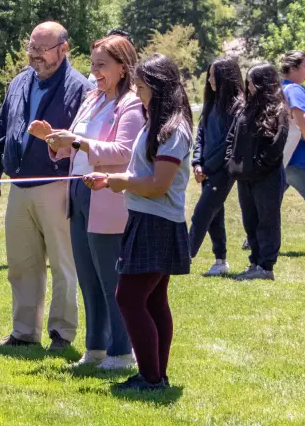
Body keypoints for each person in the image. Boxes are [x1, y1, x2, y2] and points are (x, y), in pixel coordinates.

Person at [31, 32, 143, 369]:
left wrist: (76, 141)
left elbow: (124, 151)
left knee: (111, 280)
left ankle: (122, 352)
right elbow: (75, 149)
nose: (94, 71)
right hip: (78, 192)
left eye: (102, 65)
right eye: (92, 64)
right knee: (88, 276)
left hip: (107, 196)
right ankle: (95, 350)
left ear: (123, 68)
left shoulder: (132, 104)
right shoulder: (93, 98)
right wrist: (54, 141)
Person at [83, 53, 193, 392]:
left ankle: (150, 377)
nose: (138, 93)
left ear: (158, 88)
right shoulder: (155, 123)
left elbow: (159, 185)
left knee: (129, 298)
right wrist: (110, 178)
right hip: (146, 219)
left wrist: (125, 183)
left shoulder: (173, 129)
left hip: (157, 223)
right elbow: (145, 175)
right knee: (153, 301)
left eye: (142, 87)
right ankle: (155, 375)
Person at [0, 21, 92, 350]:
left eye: (42, 50)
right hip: (20, 183)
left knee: (63, 263)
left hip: (57, 185)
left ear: (64, 50)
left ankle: (62, 333)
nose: (34, 56)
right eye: (31, 48)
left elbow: (84, 141)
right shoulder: (19, 82)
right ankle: (23, 332)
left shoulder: (80, 88)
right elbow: (3, 126)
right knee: (21, 263)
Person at [226, 64, 288, 282]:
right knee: (250, 221)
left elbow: (276, 144)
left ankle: (266, 266)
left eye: (252, 81)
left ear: (264, 83)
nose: (249, 85)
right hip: (245, 177)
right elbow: (232, 138)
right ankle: (255, 262)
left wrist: (258, 167)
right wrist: (230, 162)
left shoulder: (278, 110)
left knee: (267, 221)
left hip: (266, 177)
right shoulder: (245, 108)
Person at [188, 58, 244, 276]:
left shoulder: (238, 106)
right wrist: (197, 162)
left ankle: (184, 257)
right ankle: (220, 260)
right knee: (214, 216)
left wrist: (207, 167)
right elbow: (200, 134)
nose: (210, 80)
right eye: (209, 75)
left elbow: (228, 144)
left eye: (213, 75)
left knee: (201, 213)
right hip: (207, 168)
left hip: (222, 170)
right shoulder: (211, 103)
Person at [280, 50, 305, 219]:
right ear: (292, 68)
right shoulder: (294, 90)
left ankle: (256, 236)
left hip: (287, 160)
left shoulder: (281, 88)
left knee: (272, 199)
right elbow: (303, 121)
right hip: (301, 161)